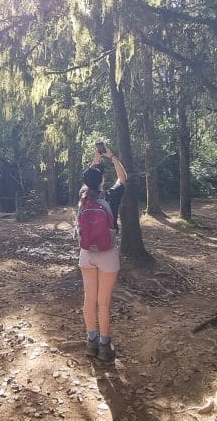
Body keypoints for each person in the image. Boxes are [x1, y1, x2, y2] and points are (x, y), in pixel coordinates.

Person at [77, 142, 127, 363]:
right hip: (107, 254)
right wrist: (112, 156)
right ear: (102, 181)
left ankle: (91, 343)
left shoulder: (83, 196)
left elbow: (90, 178)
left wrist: (95, 159)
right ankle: (105, 346)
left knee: (89, 299)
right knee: (103, 302)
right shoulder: (110, 196)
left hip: (86, 253)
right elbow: (123, 178)